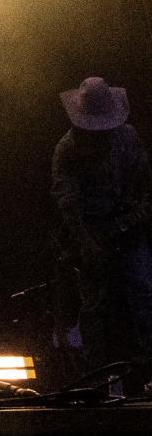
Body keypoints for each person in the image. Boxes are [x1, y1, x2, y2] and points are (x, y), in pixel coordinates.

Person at [50, 76, 152, 376]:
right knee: (95, 307)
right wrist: (86, 241)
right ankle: (97, 375)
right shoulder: (67, 150)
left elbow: (143, 179)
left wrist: (139, 210)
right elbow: (67, 203)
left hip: (127, 228)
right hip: (91, 233)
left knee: (145, 295)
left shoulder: (128, 137)